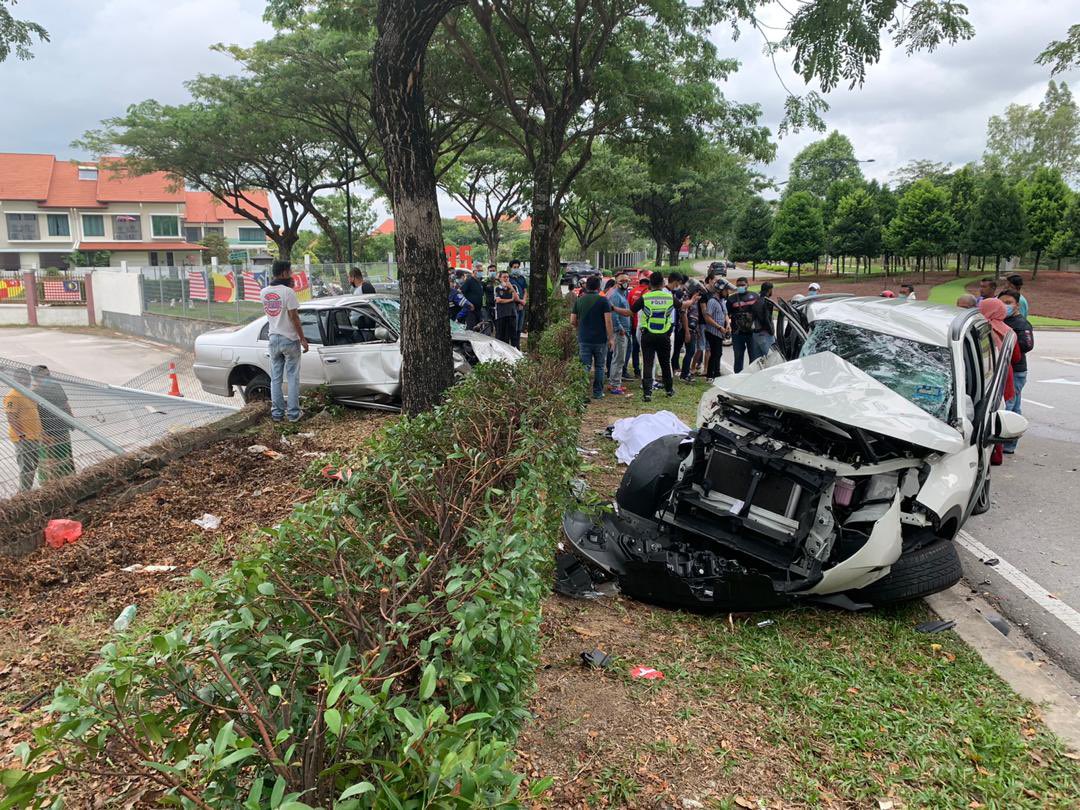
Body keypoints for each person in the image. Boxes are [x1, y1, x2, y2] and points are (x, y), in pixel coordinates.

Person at [260, 260, 309, 423]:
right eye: (290, 271)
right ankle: (294, 414)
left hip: (273, 338)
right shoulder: (288, 292)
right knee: (293, 378)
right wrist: (302, 339)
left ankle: (277, 414)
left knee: (275, 379)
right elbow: (294, 317)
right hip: (289, 339)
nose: (292, 274)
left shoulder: (264, 292)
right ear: (283, 273)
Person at [978, 297, 1020, 466]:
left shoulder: (980, 329)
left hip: (985, 379)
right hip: (1005, 377)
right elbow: (1016, 356)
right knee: (1000, 417)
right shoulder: (1008, 331)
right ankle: (997, 455)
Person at [999, 289, 1034, 454]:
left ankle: (1006, 444)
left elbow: (1027, 345)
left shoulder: (1021, 324)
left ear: (1017, 305)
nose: (1005, 306)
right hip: (1007, 369)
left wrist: (1008, 347)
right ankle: (1008, 445)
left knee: (1009, 406)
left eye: (1008, 303)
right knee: (1014, 405)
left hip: (1016, 370)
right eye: (1002, 302)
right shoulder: (1001, 320)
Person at [631, 271, 675, 401]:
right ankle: (669, 390)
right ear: (663, 283)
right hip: (664, 336)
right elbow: (682, 306)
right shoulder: (669, 297)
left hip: (648, 335)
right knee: (665, 363)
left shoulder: (646, 297)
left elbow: (631, 311)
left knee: (647, 363)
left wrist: (614, 308)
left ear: (650, 284)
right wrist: (692, 300)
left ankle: (647, 393)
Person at [571, 276, 615, 400]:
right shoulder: (603, 301)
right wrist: (611, 338)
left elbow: (572, 320)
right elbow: (608, 321)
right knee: (600, 366)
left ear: (586, 286)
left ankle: (582, 394)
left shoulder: (579, 300)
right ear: (598, 286)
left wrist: (581, 328)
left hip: (584, 339)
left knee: (585, 367)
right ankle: (597, 393)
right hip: (600, 340)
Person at [30, 365, 75, 479]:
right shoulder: (33, 393)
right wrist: (41, 434)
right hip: (47, 433)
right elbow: (33, 416)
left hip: (62, 428)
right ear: (35, 377)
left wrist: (72, 419)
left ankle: (68, 479)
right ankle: (51, 484)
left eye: (48, 375)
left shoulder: (56, 386)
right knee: (50, 462)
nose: (48, 377)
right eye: (44, 375)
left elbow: (65, 404)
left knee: (65, 457)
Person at [4, 368, 42, 492]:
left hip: (35, 436)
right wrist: (21, 435)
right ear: (14, 379)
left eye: (25, 377)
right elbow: (11, 417)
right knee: (26, 467)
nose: (23, 380)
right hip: (24, 438)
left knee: (33, 465)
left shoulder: (28, 393)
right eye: (19, 378)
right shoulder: (12, 396)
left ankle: (26, 491)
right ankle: (24, 494)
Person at [606, 273, 632, 395]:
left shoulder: (623, 294)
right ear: (617, 282)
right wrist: (619, 328)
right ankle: (614, 384)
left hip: (624, 331)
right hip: (620, 332)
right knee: (619, 358)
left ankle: (616, 382)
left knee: (619, 358)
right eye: (622, 280)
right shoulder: (615, 295)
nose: (625, 282)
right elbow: (613, 313)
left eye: (627, 280)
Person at [726, 277, 759, 372]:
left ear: (747, 285)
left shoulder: (755, 296)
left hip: (752, 333)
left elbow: (759, 313)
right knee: (738, 357)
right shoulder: (731, 299)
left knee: (753, 357)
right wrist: (727, 327)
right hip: (737, 333)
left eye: (742, 285)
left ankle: (752, 376)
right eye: (738, 285)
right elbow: (726, 315)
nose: (740, 287)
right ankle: (738, 377)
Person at [702, 278, 729, 380]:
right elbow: (707, 317)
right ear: (720, 290)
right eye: (726, 290)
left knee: (718, 353)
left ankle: (716, 373)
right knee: (715, 354)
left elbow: (725, 313)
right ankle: (710, 375)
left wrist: (728, 325)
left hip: (720, 332)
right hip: (713, 332)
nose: (727, 292)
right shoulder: (712, 301)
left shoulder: (722, 301)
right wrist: (719, 327)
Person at [626, 272, 650, 378]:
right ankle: (646, 371)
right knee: (646, 350)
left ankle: (636, 370)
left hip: (634, 324)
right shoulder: (648, 292)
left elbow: (629, 308)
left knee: (634, 348)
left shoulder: (632, 291)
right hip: (644, 325)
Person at [750, 281, 775, 360]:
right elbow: (765, 319)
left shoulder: (756, 301)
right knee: (771, 358)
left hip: (756, 335)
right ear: (769, 290)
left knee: (759, 361)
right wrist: (771, 331)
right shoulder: (766, 302)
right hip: (765, 334)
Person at [493, 271, 520, 345]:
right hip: (501, 314)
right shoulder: (497, 288)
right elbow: (499, 300)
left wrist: (511, 287)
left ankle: (515, 352)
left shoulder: (513, 287)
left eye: (507, 277)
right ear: (500, 278)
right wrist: (511, 300)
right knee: (501, 336)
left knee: (513, 335)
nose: (506, 279)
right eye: (504, 277)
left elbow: (517, 299)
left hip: (512, 314)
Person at [508, 260, 528, 343]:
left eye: (517, 267)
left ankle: (518, 346)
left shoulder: (522, 278)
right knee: (514, 327)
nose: (516, 269)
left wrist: (524, 301)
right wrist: (520, 301)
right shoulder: (508, 278)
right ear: (511, 268)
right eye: (514, 267)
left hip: (522, 306)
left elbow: (525, 291)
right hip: (513, 306)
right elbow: (512, 292)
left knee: (519, 327)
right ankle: (513, 346)